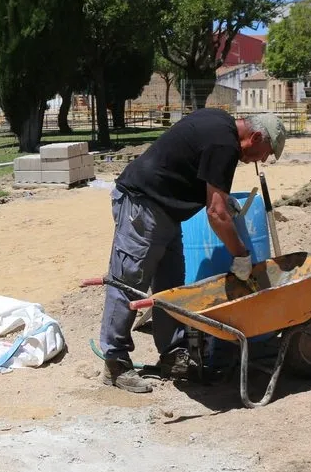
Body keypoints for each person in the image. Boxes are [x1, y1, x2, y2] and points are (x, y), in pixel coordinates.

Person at [99, 108, 286, 393]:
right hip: (143, 206)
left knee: (171, 286)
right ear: (256, 136)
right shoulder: (224, 144)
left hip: (166, 210)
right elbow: (216, 213)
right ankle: (115, 363)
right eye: (265, 152)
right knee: (128, 283)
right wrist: (241, 254)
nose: (261, 160)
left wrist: (222, 201)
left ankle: (173, 354)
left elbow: (201, 178)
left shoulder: (220, 125)